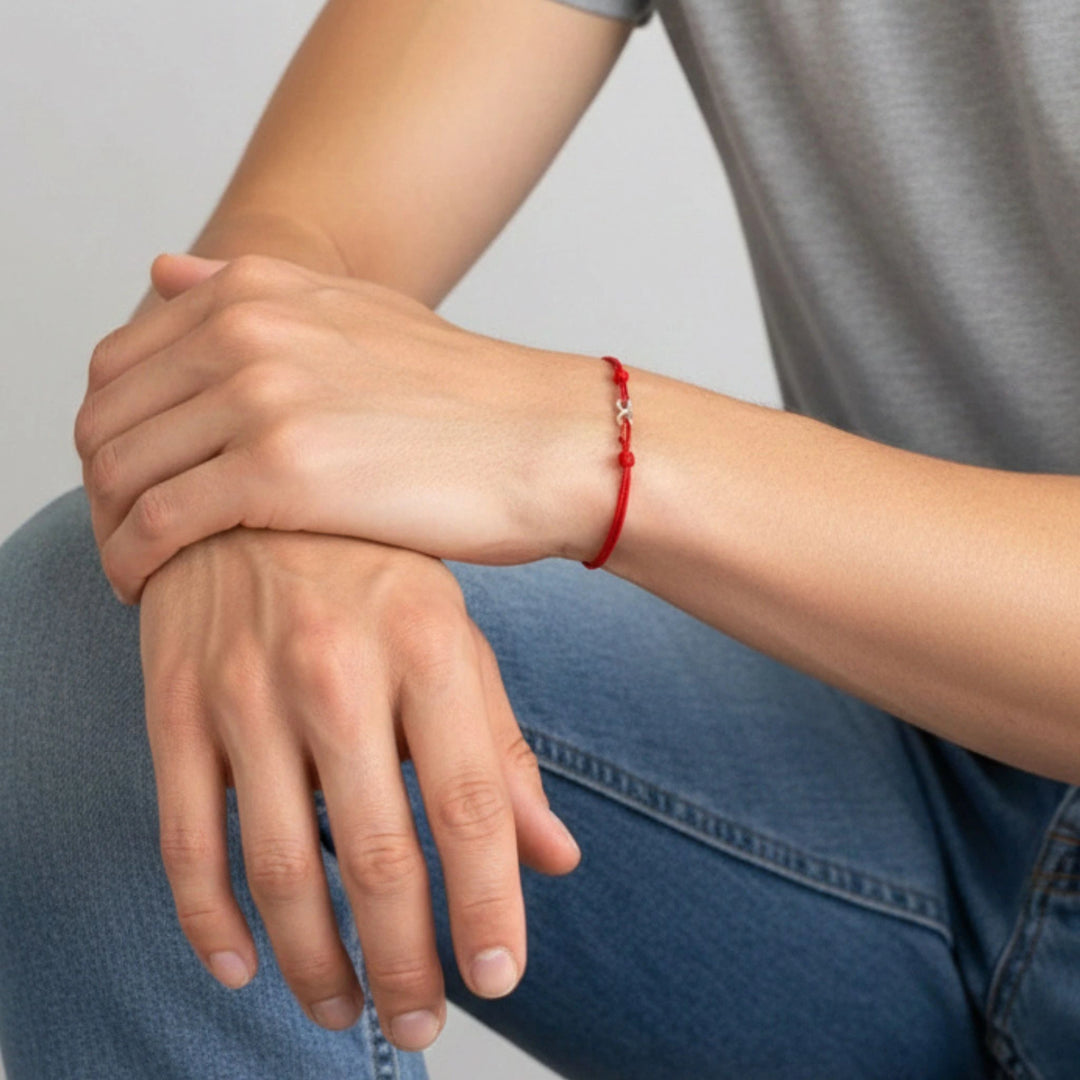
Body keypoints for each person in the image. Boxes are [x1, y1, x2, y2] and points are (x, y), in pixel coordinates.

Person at [1, 0, 1078, 1076]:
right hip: (897, 774)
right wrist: (263, 483)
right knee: (114, 641)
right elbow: (294, 246)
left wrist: (586, 445)